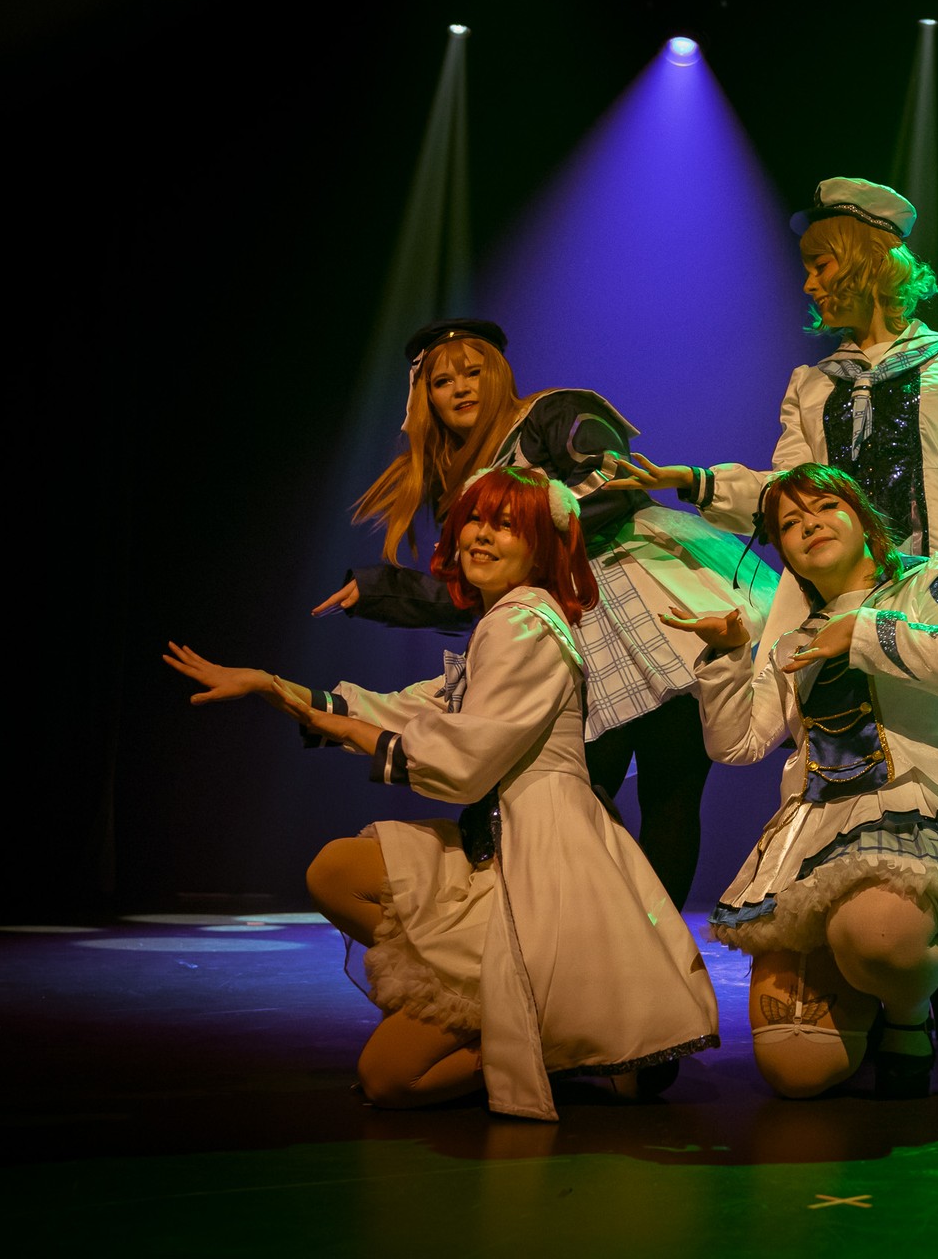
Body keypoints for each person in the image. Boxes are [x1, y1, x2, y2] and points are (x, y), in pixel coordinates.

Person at [609, 178, 938, 1050]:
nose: (809, 282)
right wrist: (693, 482)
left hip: (928, 596)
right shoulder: (812, 384)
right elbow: (787, 493)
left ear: (867, 261)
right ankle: (861, 953)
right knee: (847, 758)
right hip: (831, 598)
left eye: (821, 263)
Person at [168, 467, 721, 1120]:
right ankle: (498, 1005)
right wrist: (274, 687)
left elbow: (464, 760)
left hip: (539, 865)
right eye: (475, 521)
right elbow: (411, 709)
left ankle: (548, 1035)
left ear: (540, 550)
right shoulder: (504, 623)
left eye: (506, 526)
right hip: (499, 845)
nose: (482, 536)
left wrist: (351, 728)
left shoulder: (524, 624)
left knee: (389, 1078)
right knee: (337, 871)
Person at [314, 318, 775, 909]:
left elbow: (614, 483)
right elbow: (474, 591)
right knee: (573, 790)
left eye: (472, 372)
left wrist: (534, 521)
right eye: (442, 381)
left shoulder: (555, 412)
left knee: (672, 793)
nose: (460, 388)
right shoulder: (462, 482)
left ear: (498, 373)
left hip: (653, 605)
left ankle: (657, 952)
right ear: (425, 397)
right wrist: (380, 590)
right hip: (568, 628)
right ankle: (581, 931)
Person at [664, 463, 938, 1099]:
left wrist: (863, 630)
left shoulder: (933, 580)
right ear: (785, 554)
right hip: (816, 837)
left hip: (918, 813)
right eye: (790, 523)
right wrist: (729, 655)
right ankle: (865, 995)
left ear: (864, 521)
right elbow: (737, 744)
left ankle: (907, 1013)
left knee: (880, 936)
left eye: (825, 507)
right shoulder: (793, 638)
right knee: (796, 1072)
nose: (809, 524)